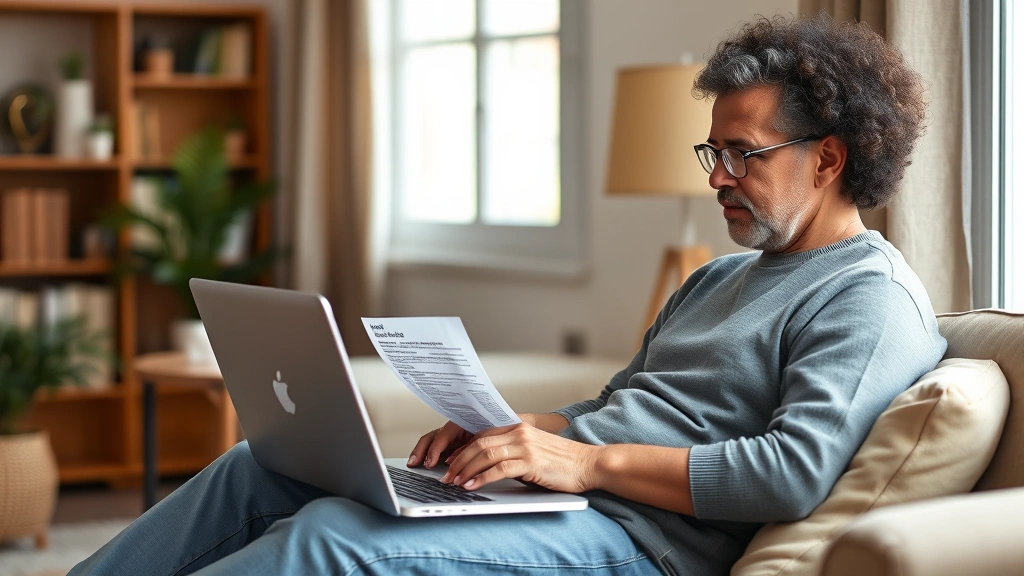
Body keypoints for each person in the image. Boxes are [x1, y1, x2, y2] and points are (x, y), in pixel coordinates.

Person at [71, 13, 946, 576]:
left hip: (638, 545)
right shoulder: (721, 277)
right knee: (261, 467)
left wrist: (583, 463)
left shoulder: (868, 301)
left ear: (828, 159)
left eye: (741, 153)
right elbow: (616, 405)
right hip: (567, 498)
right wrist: (521, 434)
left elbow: (789, 474)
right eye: (712, 152)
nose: (717, 175)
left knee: (331, 538)